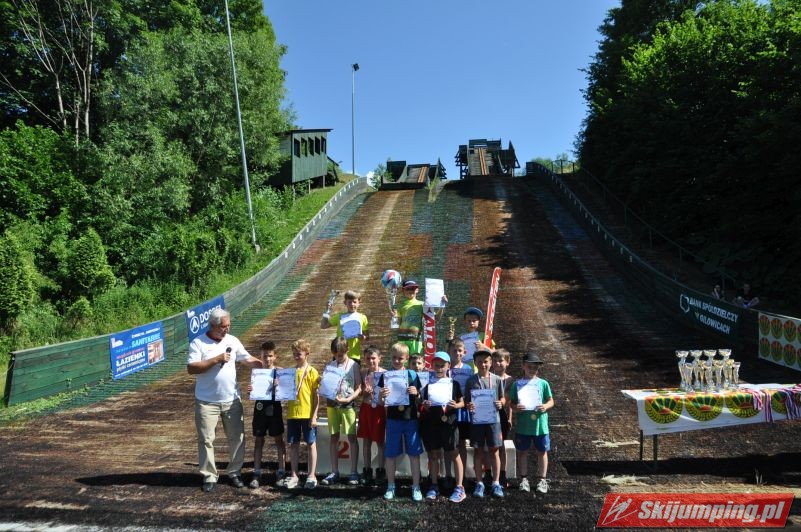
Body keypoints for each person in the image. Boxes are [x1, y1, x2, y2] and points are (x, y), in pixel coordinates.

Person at [187, 308, 263, 492]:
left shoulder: (233, 341)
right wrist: (216, 359)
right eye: (223, 326)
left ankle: (235, 472)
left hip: (231, 399)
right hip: (206, 401)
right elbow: (192, 368)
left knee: (237, 438)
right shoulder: (198, 343)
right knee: (206, 439)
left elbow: (247, 359)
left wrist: (267, 367)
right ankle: (209, 476)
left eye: (229, 325)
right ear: (213, 325)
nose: (227, 329)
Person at [379, 342, 424, 501]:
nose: (397, 361)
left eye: (400, 358)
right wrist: (382, 395)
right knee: (390, 454)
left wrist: (416, 393)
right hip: (393, 419)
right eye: (394, 358)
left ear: (406, 358)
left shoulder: (412, 375)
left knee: (414, 454)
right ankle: (391, 486)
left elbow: (420, 398)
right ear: (390, 357)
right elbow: (381, 400)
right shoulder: (386, 376)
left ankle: (416, 486)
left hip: (410, 419)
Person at [419, 351, 467, 503]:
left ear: (448, 366)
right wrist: (425, 405)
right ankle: (434, 485)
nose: (439, 368)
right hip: (432, 424)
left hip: (449, 423)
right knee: (434, 454)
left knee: (454, 453)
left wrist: (456, 405)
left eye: (442, 365)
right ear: (432, 365)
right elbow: (423, 403)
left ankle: (459, 487)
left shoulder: (454, 384)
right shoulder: (428, 384)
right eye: (436, 365)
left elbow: (462, 402)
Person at [509, 352, 554, 495]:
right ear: (523, 366)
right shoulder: (517, 384)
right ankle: (524, 479)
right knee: (523, 452)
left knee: (542, 452)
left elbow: (551, 400)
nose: (532, 369)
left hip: (540, 426)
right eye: (529, 366)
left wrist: (545, 406)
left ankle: (542, 480)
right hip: (524, 426)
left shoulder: (543, 383)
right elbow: (511, 403)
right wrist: (516, 408)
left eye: (535, 367)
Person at [465, 349, 506, 498]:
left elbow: (502, 398)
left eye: (486, 361)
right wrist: (469, 405)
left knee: (494, 450)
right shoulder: (471, 381)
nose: (483, 364)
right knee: (478, 451)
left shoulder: (497, 379)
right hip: (477, 421)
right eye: (480, 362)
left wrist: (501, 403)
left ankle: (496, 482)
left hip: (493, 421)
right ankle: (479, 483)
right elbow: (467, 400)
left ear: (491, 363)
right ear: (475, 363)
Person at [321, 337, 362, 486]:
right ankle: (334, 471)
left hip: (348, 406)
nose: (338, 357)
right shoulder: (330, 366)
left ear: (347, 350)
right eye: (335, 354)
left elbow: (359, 387)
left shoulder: (353, 365)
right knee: (334, 437)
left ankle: (353, 471)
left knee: (351, 437)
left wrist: (349, 398)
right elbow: (325, 386)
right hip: (332, 406)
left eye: (341, 354)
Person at [248, 341, 286, 489]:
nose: (268, 359)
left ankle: (281, 471)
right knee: (259, 440)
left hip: (275, 409)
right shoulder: (257, 373)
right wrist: (250, 389)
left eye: (270, 356)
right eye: (265, 356)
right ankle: (257, 472)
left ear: (275, 356)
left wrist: (280, 385)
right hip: (260, 409)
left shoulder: (280, 372)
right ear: (260, 356)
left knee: (278, 439)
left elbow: (287, 391)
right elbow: (252, 391)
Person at [285, 339, 321, 490]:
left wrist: (314, 415)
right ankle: (294, 475)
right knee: (293, 444)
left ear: (307, 354)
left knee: (311, 444)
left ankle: (312, 475)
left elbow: (317, 397)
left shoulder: (313, 372)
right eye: (294, 354)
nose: (296, 356)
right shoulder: (290, 373)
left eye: (299, 354)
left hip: (307, 414)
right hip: (293, 414)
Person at [357, 346, 387, 486]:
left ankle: (381, 471)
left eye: (373, 358)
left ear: (380, 358)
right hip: (366, 408)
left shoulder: (386, 374)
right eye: (368, 358)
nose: (371, 361)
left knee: (380, 442)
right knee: (366, 441)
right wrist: (364, 392)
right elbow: (359, 393)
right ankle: (367, 470)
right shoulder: (363, 372)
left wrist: (383, 395)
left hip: (379, 410)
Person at [393, 279, 447, 355]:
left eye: (412, 288)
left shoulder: (423, 304)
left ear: (417, 290)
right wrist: (394, 317)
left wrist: (442, 306)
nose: (410, 291)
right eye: (408, 289)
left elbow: (436, 318)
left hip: (417, 340)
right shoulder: (400, 306)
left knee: (416, 361)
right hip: (403, 339)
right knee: (403, 361)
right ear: (403, 290)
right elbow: (398, 324)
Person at [446, 338, 473, 489]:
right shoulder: (445, 368)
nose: (457, 353)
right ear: (449, 352)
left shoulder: (468, 369)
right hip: (447, 409)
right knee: (448, 443)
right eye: (454, 350)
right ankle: (448, 474)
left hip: (462, 410)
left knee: (461, 443)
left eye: (460, 350)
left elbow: (471, 389)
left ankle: (463, 475)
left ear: (465, 352)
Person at [321, 290, 369, 363]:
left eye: (354, 302)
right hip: (339, 355)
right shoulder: (339, 316)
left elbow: (367, 337)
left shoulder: (363, 317)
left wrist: (363, 338)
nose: (352, 304)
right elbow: (323, 325)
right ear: (345, 303)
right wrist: (327, 311)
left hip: (354, 355)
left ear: (359, 302)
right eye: (349, 302)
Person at [491, 348, 513, 488]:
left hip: (503, 416)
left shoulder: (510, 380)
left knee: (502, 446)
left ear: (507, 362)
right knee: (490, 446)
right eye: (495, 361)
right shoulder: (488, 378)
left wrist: (510, 418)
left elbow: (510, 402)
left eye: (501, 360)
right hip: (489, 415)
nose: (498, 363)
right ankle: (489, 472)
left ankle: (502, 474)